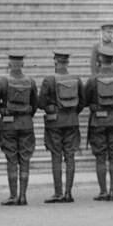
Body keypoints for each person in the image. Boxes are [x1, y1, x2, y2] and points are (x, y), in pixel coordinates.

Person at [0, 54, 38, 206]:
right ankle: (23, 196)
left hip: (9, 125)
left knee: (11, 159)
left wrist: (3, 110)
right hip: (26, 124)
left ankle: (13, 195)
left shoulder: (3, 82)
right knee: (25, 160)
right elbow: (35, 105)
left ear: (9, 64)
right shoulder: (30, 81)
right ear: (22, 64)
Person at [83, 48, 113, 200]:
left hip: (97, 122)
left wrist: (95, 107)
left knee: (100, 158)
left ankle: (103, 192)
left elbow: (84, 100)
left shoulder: (93, 80)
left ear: (100, 60)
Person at [39, 51, 83, 203]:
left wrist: (52, 108)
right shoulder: (76, 79)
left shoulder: (49, 80)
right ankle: (68, 193)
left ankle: (58, 193)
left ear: (55, 62)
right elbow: (82, 102)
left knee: (56, 157)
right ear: (67, 63)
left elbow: (41, 103)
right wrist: (72, 112)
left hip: (54, 123)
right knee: (70, 157)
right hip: (71, 121)